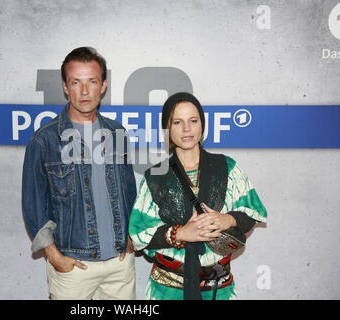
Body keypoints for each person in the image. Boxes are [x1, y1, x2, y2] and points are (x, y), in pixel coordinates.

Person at [22, 47, 137, 300]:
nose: (84, 92)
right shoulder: (45, 140)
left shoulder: (118, 133)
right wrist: (54, 256)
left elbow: (129, 190)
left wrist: (131, 237)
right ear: (65, 86)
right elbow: (34, 205)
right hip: (73, 265)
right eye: (76, 82)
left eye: (92, 82)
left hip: (119, 265)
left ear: (103, 85)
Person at [129, 92, 267, 300]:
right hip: (167, 290)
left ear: (202, 125)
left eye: (193, 121)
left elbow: (251, 214)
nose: (186, 129)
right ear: (167, 129)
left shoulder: (226, 167)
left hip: (218, 290)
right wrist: (180, 233)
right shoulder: (155, 176)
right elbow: (139, 234)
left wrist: (226, 219)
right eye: (177, 122)